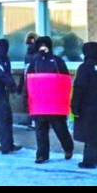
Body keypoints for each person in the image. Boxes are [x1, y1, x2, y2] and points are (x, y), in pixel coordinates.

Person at [26, 36, 75, 165]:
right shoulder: (34, 62)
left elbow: (65, 79)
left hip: (54, 103)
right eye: (40, 46)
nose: (43, 48)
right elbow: (28, 81)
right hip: (39, 103)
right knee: (40, 131)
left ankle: (68, 148)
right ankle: (42, 154)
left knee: (60, 129)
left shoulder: (57, 61)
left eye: (45, 45)